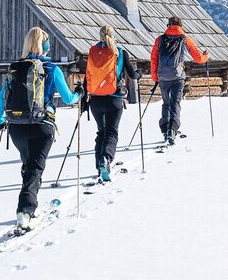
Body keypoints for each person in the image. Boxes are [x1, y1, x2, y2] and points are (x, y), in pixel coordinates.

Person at [0, 27, 82, 232]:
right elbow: (69, 99)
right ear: (45, 46)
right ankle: (25, 211)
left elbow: (1, 98)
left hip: (16, 127)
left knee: (29, 166)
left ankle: (28, 206)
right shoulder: (52, 68)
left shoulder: (16, 67)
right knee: (35, 168)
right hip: (42, 126)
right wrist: (79, 91)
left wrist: (0, 120)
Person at [85, 25, 140, 182]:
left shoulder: (93, 51)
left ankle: (99, 165)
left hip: (95, 99)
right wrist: (139, 74)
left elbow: (87, 75)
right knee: (111, 132)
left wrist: (84, 98)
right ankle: (106, 158)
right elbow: (132, 74)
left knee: (101, 132)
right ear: (113, 35)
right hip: (114, 98)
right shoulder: (120, 52)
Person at [150, 16, 209, 145]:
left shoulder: (159, 39)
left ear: (168, 25)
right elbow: (198, 58)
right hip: (177, 77)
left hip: (163, 77)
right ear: (181, 26)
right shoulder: (184, 39)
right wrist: (206, 56)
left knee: (166, 103)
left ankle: (165, 130)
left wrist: (155, 77)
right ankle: (173, 130)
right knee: (175, 103)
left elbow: (154, 59)